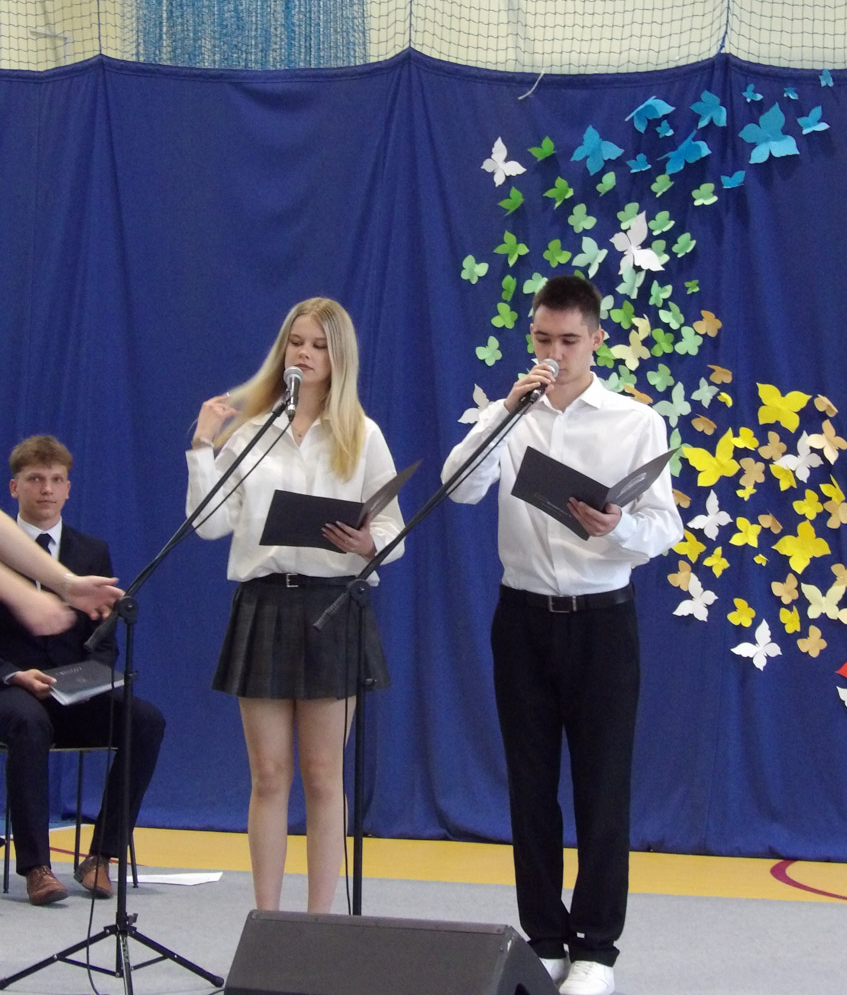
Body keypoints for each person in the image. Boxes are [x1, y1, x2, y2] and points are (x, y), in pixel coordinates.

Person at [442, 276, 683, 995]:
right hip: (521, 618)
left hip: (602, 619)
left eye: (569, 341)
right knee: (530, 787)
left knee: (602, 788)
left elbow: (664, 529)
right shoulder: (510, 414)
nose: (555, 353)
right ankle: (545, 938)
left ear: (597, 339)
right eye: (544, 339)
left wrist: (617, 527)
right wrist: (501, 415)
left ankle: (597, 950)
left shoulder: (634, 422)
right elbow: (458, 487)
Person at [187, 296, 405, 914]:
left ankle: (319, 924)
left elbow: (393, 529)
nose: (305, 355)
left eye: (318, 346)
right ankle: (268, 918)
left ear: (339, 359)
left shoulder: (362, 434)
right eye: (297, 342)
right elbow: (208, 524)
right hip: (264, 604)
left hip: (332, 607)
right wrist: (202, 446)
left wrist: (368, 544)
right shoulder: (251, 433)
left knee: (324, 775)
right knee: (269, 775)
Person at [0, 435, 165, 906]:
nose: (46, 490)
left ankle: (101, 856)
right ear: (14, 487)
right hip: (11, 689)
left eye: (56, 480)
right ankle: (36, 867)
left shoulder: (91, 552)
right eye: (36, 479)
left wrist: (89, 679)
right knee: (29, 722)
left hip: (70, 692)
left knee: (145, 720)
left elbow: (103, 638)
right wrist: (13, 675)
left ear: (69, 488)